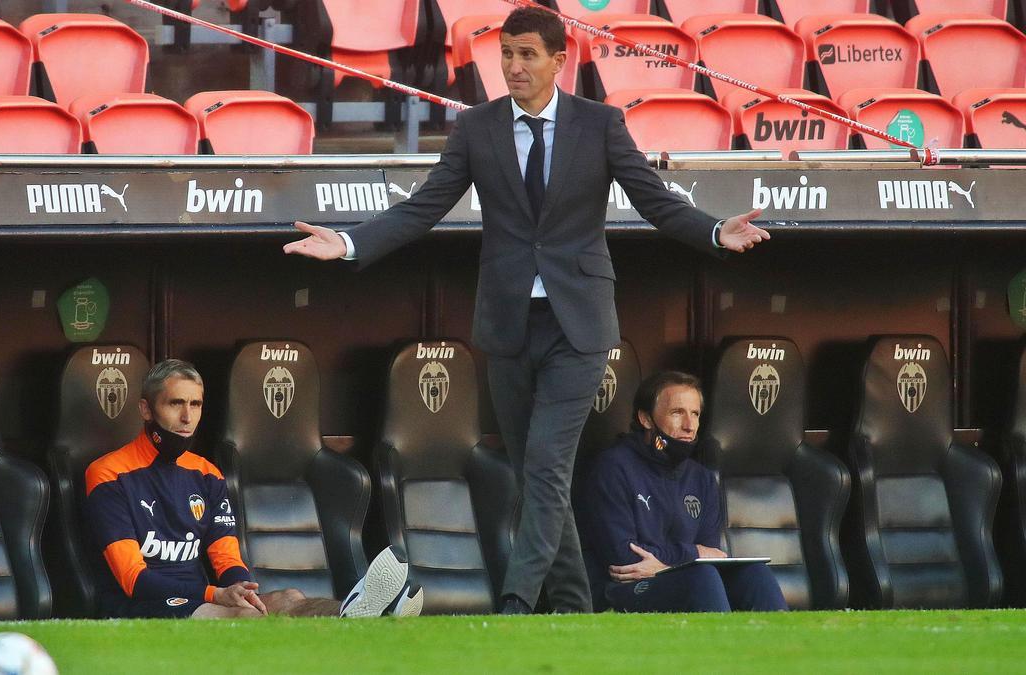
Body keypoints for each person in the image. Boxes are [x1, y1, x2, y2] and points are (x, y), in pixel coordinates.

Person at [283, 6, 769, 615]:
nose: (513, 66)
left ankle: (516, 600)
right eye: (506, 53)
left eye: (527, 55)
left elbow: (655, 199)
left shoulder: (600, 124)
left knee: (544, 465)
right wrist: (351, 241)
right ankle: (573, 608)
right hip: (508, 325)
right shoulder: (477, 128)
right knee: (539, 476)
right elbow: (425, 205)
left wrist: (716, 230)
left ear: (558, 62)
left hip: (581, 326)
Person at [84, 358, 424, 619]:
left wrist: (241, 586)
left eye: (196, 405)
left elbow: (226, 556)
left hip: (202, 599)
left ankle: (355, 614)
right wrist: (215, 595)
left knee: (289, 598)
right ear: (146, 409)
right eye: (175, 404)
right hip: (137, 606)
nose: (187, 417)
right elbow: (133, 580)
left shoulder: (207, 475)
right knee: (242, 613)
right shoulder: (108, 473)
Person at [577, 370, 787, 613]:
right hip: (624, 589)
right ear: (646, 419)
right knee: (701, 578)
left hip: (685, 578)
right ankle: (717, 651)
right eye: (677, 413)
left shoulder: (702, 479)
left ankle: (782, 650)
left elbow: (711, 557)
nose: (689, 426)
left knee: (755, 575)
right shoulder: (613, 468)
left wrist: (667, 563)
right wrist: (691, 554)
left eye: (695, 414)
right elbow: (626, 560)